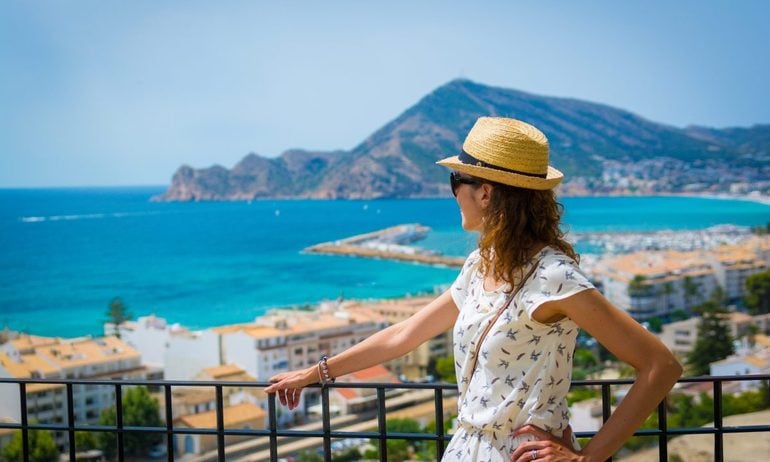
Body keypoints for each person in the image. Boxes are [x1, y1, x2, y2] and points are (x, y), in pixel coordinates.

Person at [266, 117, 682, 461]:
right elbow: (404, 334)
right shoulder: (481, 265)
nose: (452, 194)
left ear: (485, 193)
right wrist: (314, 374)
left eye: (455, 181)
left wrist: (587, 458)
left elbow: (660, 366)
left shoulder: (554, 276)